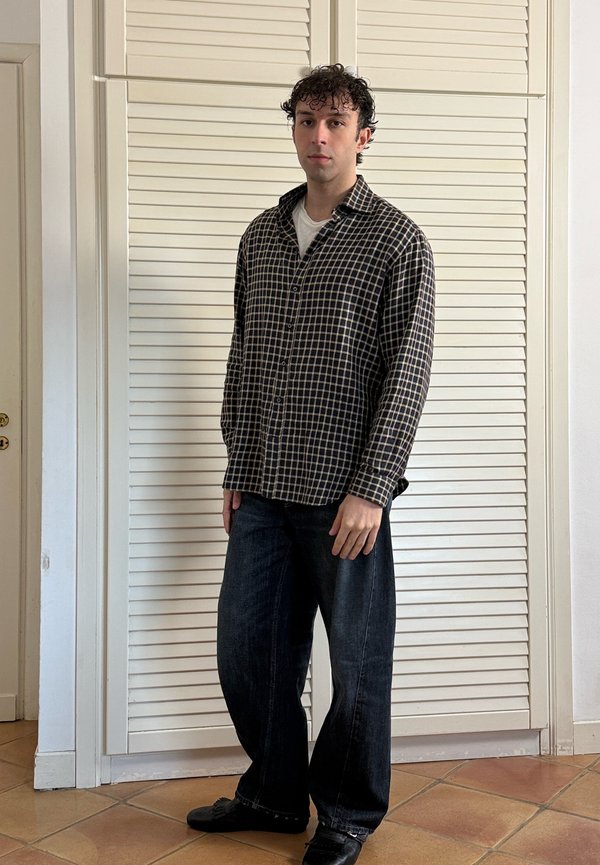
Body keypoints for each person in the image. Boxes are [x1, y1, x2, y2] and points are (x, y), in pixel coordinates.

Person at [186, 64, 435, 865]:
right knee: (247, 649)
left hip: (344, 497)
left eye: (335, 121)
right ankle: (273, 792)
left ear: (363, 134)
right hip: (261, 485)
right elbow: (244, 354)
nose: (318, 135)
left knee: (357, 666)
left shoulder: (396, 240)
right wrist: (236, 462)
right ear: (292, 128)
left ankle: (349, 815)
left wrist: (373, 486)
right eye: (305, 119)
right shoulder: (260, 235)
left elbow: (408, 367)